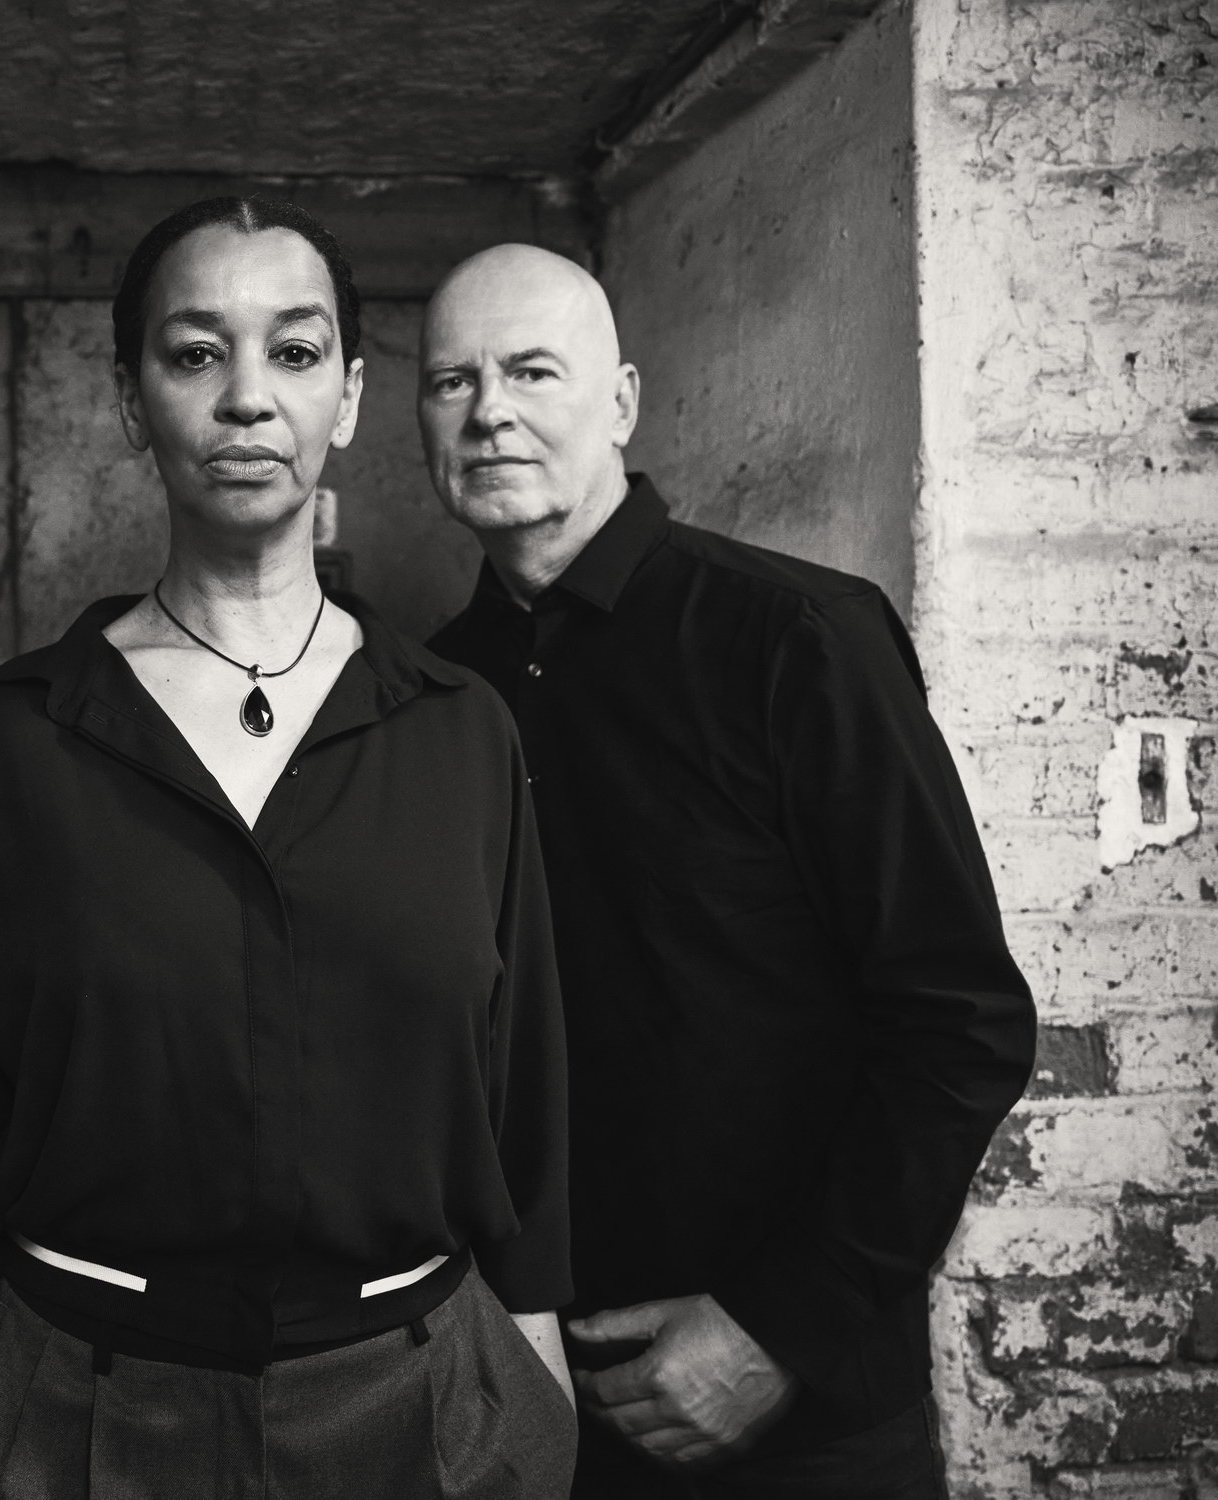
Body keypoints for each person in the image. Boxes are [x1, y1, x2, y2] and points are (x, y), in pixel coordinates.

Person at [0, 201, 578, 1498]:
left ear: (348, 398)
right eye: (196, 352)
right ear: (130, 399)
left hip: (422, 1412)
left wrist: (538, 1415)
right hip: (86, 1410)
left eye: (294, 352)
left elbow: (526, 1114)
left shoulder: (459, 731)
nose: (246, 398)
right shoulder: (16, 740)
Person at [417, 244, 1037, 1498]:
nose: (488, 413)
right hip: (522, 1403)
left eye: (531, 371)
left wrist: (774, 1331)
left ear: (621, 404)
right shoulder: (426, 692)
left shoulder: (797, 639)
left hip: (794, 1417)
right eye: (450, 381)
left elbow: (961, 1024)